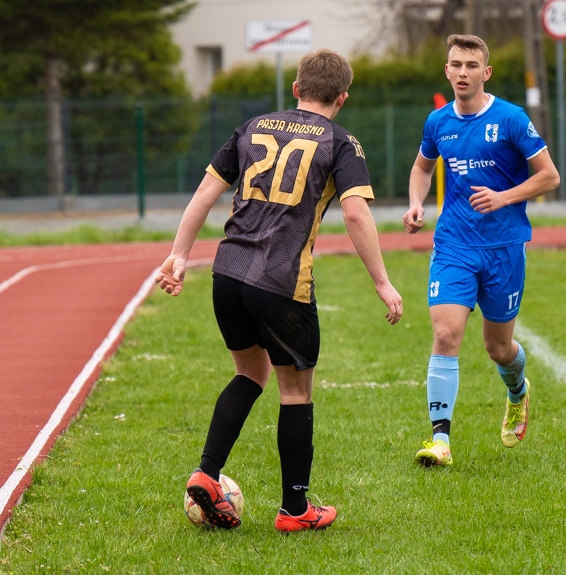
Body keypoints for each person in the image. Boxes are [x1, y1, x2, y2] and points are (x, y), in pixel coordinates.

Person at [155, 48, 403, 531]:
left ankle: (207, 473)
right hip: (282, 280)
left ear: (295, 89)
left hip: (227, 271)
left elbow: (205, 194)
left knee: (250, 373)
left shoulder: (252, 127)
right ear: (343, 98)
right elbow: (355, 212)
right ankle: (295, 510)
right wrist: (382, 281)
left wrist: (180, 255)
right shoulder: (341, 142)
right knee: (295, 390)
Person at [402, 34, 559, 466]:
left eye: (472, 65)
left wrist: (504, 197)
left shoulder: (510, 118)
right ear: (447, 71)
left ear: (485, 72)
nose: (463, 72)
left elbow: (549, 176)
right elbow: (421, 166)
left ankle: (517, 390)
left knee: (498, 348)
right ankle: (440, 440)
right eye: (456, 64)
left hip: (504, 247)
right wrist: (416, 203)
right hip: (453, 243)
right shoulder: (438, 122)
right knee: (445, 334)